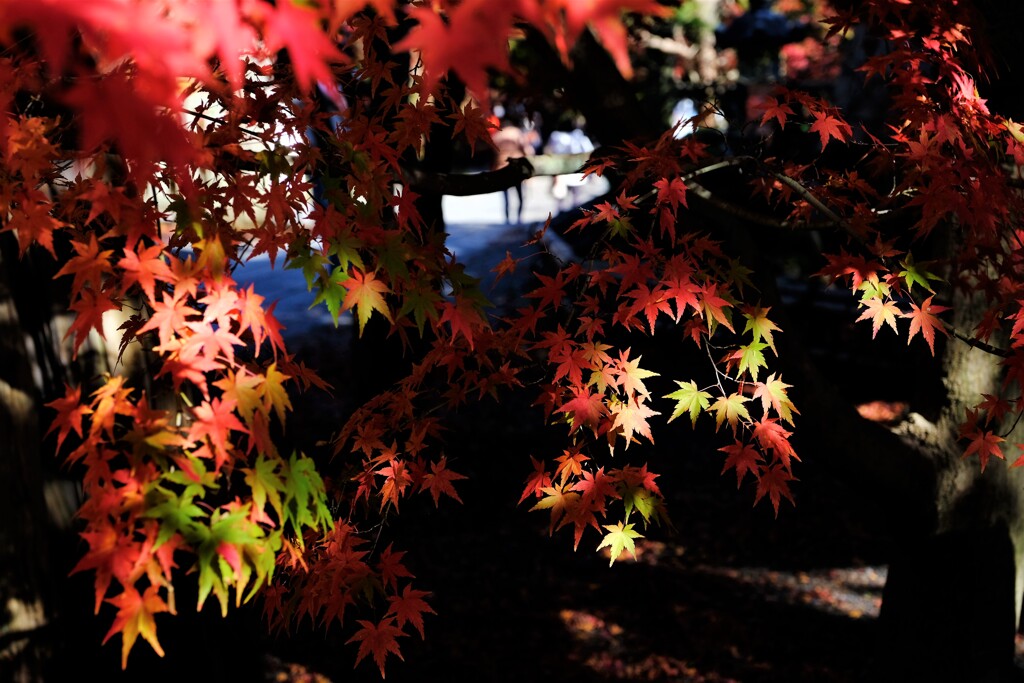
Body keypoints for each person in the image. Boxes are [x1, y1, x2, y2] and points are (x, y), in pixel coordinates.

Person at [490, 120, 535, 224]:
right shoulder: (517, 133)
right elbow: (527, 150)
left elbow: (493, 154)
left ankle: (507, 219)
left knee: (505, 196)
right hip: (516, 167)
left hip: (502, 167)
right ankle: (519, 217)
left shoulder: (497, 135)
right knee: (520, 194)